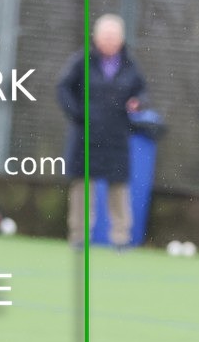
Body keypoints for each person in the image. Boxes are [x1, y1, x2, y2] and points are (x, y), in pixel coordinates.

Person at [57, 13, 147, 249]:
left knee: (118, 187)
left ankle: (120, 238)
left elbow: (142, 93)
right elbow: (63, 88)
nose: (108, 40)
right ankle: (79, 236)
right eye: (105, 35)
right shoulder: (81, 61)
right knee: (82, 187)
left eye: (113, 36)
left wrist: (138, 102)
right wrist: (77, 113)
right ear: (96, 37)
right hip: (85, 134)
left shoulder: (130, 65)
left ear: (121, 39)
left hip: (117, 135)